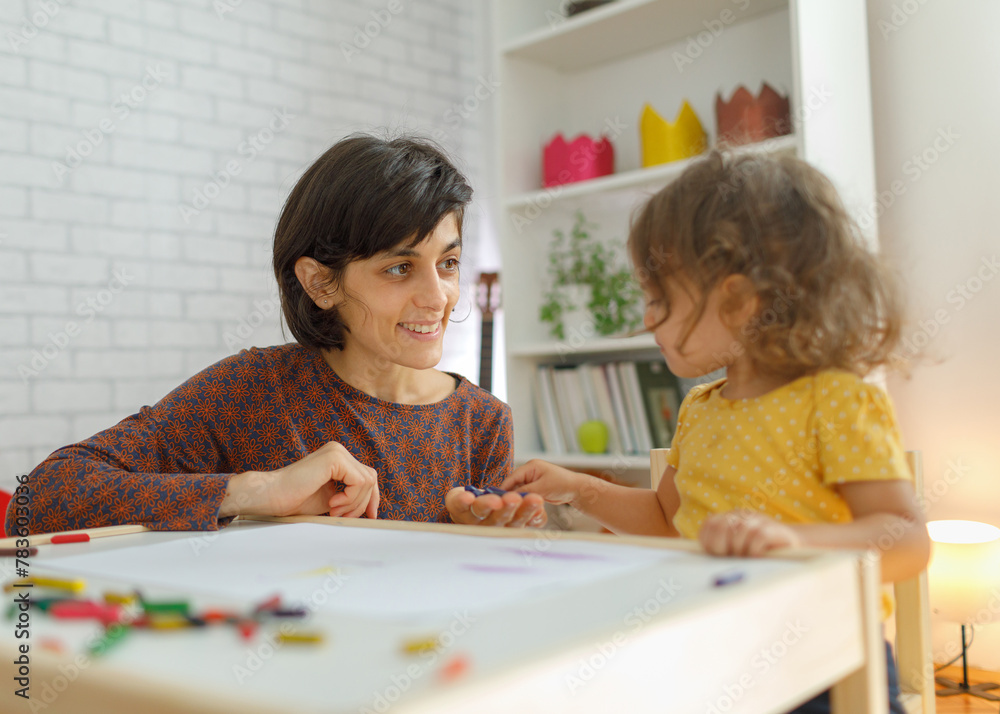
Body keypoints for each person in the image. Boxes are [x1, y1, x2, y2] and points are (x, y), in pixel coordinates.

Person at [502, 151, 929, 713]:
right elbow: (667, 521)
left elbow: (905, 539)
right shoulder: (700, 409)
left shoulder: (836, 400)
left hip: (827, 663)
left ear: (738, 301)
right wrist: (579, 488)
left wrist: (794, 545)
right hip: (717, 653)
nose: (646, 317)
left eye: (660, 299)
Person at [7, 135, 546, 535]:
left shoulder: (483, 422)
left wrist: (478, 541)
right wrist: (255, 490)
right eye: (399, 268)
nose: (438, 296)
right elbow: (41, 497)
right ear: (320, 282)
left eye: (448, 262)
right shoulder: (252, 391)